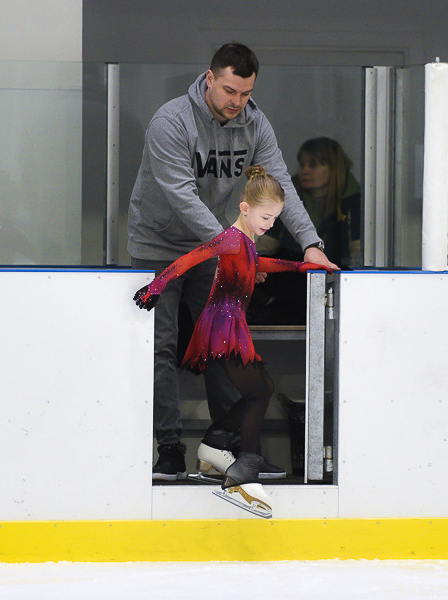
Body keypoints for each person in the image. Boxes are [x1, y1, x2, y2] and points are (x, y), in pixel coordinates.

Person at [127, 42, 338, 481]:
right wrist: (233, 245)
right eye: (228, 91)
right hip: (158, 246)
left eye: (244, 93)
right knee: (161, 348)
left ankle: (222, 450)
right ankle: (168, 450)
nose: (236, 102)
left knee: (225, 346)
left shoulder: (254, 124)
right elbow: (180, 195)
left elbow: (280, 186)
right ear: (209, 78)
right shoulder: (171, 122)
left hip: (217, 246)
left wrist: (310, 244)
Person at [134, 166, 332, 517]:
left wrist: (304, 267)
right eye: (266, 217)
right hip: (221, 328)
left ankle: (214, 444)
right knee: (257, 393)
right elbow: (188, 260)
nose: (270, 224)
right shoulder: (229, 238)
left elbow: (261, 262)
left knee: (263, 387)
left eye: (275, 219)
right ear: (245, 208)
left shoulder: (248, 242)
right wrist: (157, 286)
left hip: (231, 325)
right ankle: (243, 469)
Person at [249, 137, 361, 325]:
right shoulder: (288, 196)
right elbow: (268, 243)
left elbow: (359, 257)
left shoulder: (352, 201)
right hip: (291, 278)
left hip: (337, 276)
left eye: (314, 165)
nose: (304, 171)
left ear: (334, 170)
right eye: (302, 165)